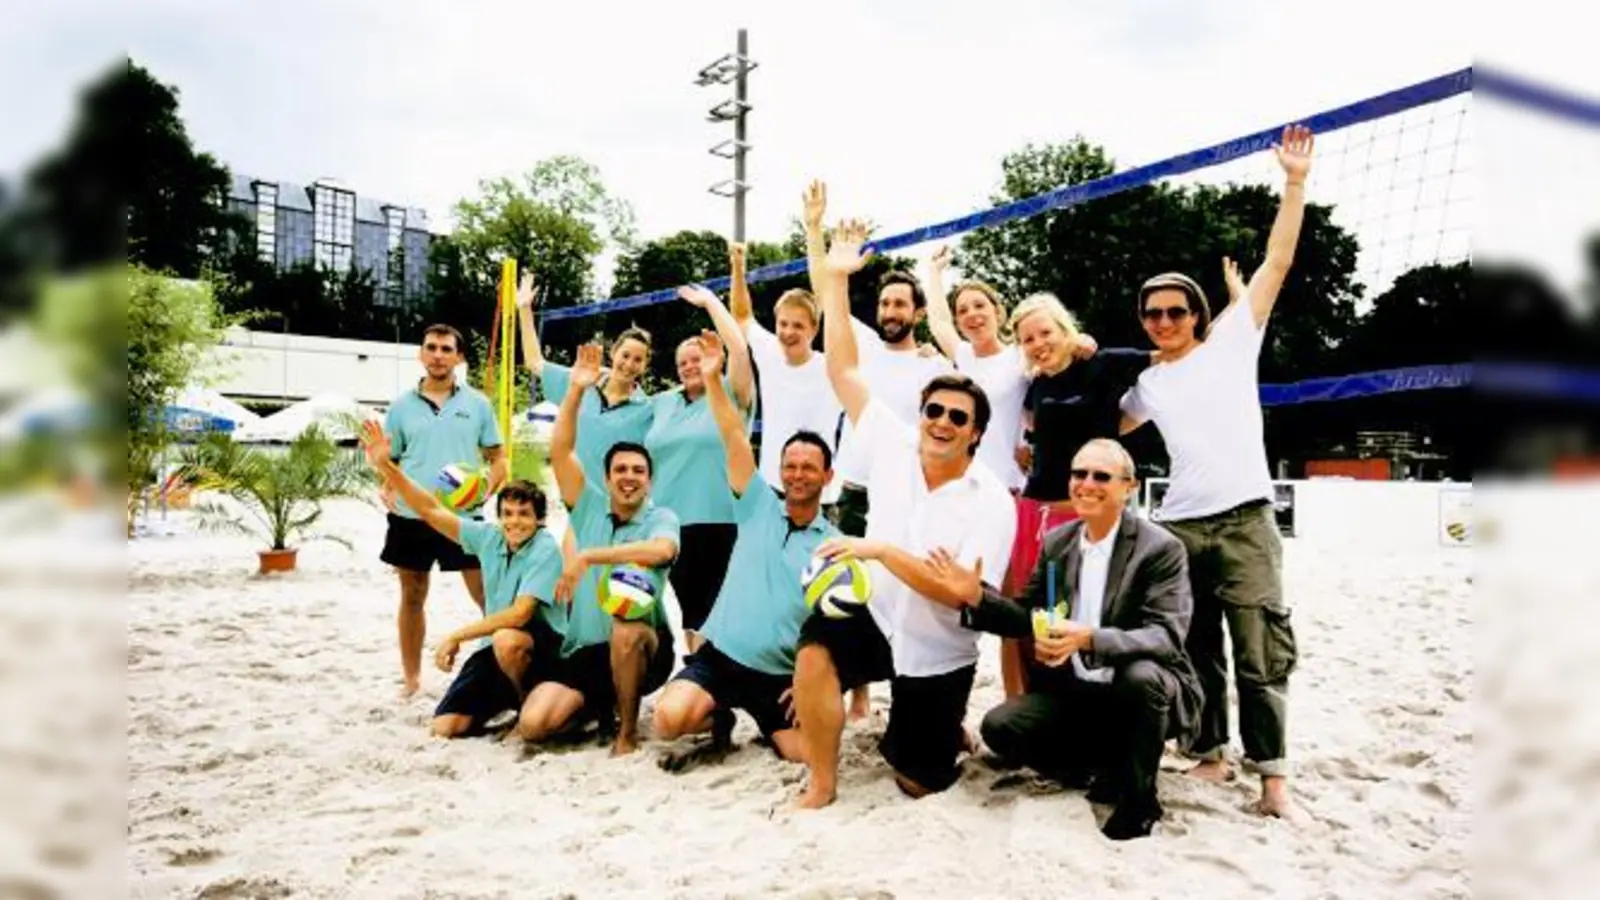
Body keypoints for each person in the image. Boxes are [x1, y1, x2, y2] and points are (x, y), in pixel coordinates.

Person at [1119, 123, 1315, 821]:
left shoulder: (1234, 339)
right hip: (1179, 526)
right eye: (1153, 313)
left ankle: (1273, 782)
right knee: (1198, 650)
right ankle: (1209, 753)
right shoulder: (1145, 384)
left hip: (1245, 518)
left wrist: (1293, 183)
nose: (1164, 320)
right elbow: (1087, 428)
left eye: (1175, 311)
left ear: (1199, 315)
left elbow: (1277, 263)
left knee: (1261, 650)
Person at [790, 217, 1016, 809]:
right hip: (878, 617)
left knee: (917, 780)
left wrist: (882, 551)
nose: (941, 421)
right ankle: (821, 784)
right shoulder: (893, 442)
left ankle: (942, 731)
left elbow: (958, 594)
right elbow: (842, 369)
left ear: (976, 434)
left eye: (957, 417)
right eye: (934, 410)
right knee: (815, 648)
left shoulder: (990, 499)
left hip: (939, 647)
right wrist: (836, 282)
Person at [930, 438, 1203, 840]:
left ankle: (1139, 799)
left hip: (1142, 692)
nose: (1086, 483)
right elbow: (1025, 615)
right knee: (1000, 727)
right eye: (1079, 473)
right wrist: (976, 597)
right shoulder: (1057, 542)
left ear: (1129, 486)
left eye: (1101, 476)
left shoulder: (1161, 548)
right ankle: (1101, 767)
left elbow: (1166, 636)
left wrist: (1089, 638)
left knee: (1141, 677)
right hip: (1077, 692)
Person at [652, 331, 839, 767]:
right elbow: (733, 434)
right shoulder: (756, 504)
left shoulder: (833, 545)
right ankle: (720, 717)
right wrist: (715, 379)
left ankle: (768, 723)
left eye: (809, 468)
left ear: (828, 477)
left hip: (779, 674)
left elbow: (841, 629)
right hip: (722, 657)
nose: (798, 475)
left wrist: (817, 682)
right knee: (669, 719)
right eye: (790, 466)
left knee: (806, 754)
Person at [802, 181, 952, 722]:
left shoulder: (933, 366)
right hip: (859, 487)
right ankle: (855, 693)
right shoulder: (862, 343)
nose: (890, 309)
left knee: (909, 594)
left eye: (899, 303)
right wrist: (816, 230)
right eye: (885, 301)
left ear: (914, 312)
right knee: (850, 591)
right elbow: (826, 294)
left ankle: (915, 695)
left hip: (910, 492)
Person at [359, 420, 564, 739]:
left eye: (524, 514)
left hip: (541, 650)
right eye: (507, 513)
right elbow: (430, 510)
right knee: (445, 728)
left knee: (507, 639)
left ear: (539, 520)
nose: (514, 521)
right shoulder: (489, 537)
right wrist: (387, 467)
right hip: (494, 649)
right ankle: (503, 702)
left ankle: (526, 706)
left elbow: (520, 614)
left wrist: (457, 635)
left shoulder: (545, 547)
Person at [1003, 292, 1153, 698]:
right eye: (1028, 339)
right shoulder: (1035, 385)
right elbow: (1033, 433)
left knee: (1092, 610)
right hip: (1035, 511)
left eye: (1045, 333)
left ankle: (1098, 703)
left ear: (1066, 330)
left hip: (1087, 512)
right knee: (1032, 612)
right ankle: (1033, 702)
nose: (1038, 344)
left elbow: (1169, 356)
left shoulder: (1103, 364)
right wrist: (1026, 448)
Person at [535, 343, 680, 757]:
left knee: (625, 627)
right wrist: (576, 391)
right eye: (620, 471)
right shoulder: (588, 510)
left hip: (643, 647)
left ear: (650, 480)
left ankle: (628, 733)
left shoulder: (660, 517)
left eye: (638, 471)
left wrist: (590, 556)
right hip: (586, 650)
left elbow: (661, 551)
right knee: (535, 725)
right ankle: (595, 703)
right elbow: (561, 450)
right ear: (606, 477)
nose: (629, 478)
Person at [379, 323, 507, 698]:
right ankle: (412, 679)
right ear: (421, 354)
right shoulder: (401, 406)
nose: (438, 354)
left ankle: (499, 667)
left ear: (459, 357)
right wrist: (386, 485)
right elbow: (391, 460)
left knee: (489, 595)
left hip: (462, 518)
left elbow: (499, 459)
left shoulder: (478, 405)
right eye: (431, 347)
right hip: (410, 516)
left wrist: (485, 488)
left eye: (446, 349)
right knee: (413, 595)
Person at [644, 283, 755, 656]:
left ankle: (708, 686)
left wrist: (710, 303)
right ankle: (698, 677)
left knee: (717, 608)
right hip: (672, 522)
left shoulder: (731, 392)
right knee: (691, 610)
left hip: (722, 518)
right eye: (683, 362)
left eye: (698, 358)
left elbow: (740, 346)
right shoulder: (661, 404)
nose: (691, 366)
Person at [516, 271, 655, 485]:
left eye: (638, 359)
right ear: (613, 353)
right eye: (625, 355)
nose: (629, 365)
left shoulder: (647, 409)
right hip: (575, 500)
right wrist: (524, 309)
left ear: (645, 366)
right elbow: (534, 362)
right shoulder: (581, 383)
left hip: (617, 505)